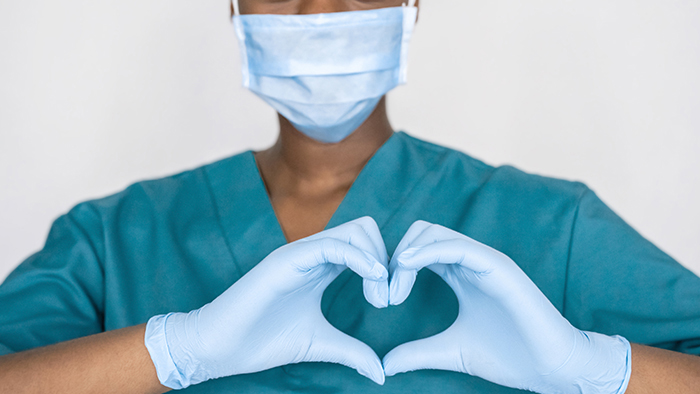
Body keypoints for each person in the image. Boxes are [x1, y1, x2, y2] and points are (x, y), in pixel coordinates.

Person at [1, 0, 699, 393]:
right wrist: (172, 351)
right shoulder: (113, 238)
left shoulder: (553, 225)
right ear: (235, 8)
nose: (318, 9)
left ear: (412, 5)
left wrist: (600, 368)